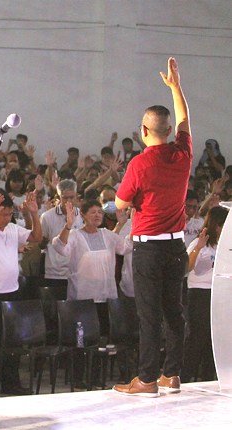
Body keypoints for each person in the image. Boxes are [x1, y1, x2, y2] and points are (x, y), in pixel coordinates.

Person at [114, 57, 192, 397]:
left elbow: (119, 204)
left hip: (148, 249)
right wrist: (176, 87)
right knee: (174, 312)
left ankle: (146, 380)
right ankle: (171, 375)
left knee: (148, 316)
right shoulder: (183, 154)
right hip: (177, 247)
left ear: (143, 131)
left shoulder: (139, 163)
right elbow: (186, 118)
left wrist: (127, 206)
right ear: (169, 130)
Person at [0, 188, 43, 397]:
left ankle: (10, 383)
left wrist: (34, 213)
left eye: (9, 214)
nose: (7, 218)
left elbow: (37, 237)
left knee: (12, 341)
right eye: (3, 214)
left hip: (12, 292)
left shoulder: (13, 229)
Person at [52, 200, 131, 332]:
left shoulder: (106, 234)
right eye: (93, 212)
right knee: (85, 334)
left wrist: (130, 225)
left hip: (106, 294)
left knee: (105, 333)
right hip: (83, 296)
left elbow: (126, 247)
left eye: (100, 212)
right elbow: (60, 247)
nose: (97, 215)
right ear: (82, 215)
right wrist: (68, 225)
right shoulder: (75, 235)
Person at [181, 206, 228, 383]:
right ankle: (185, 378)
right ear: (216, 225)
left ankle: (209, 378)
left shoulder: (223, 246)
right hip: (199, 295)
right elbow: (187, 268)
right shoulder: (199, 243)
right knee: (198, 338)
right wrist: (198, 248)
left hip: (219, 294)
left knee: (213, 340)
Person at [40, 179, 83, 290]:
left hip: (77, 271)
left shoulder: (82, 216)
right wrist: (43, 241)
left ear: (76, 196)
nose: (68, 201)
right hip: (55, 273)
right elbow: (41, 244)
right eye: (65, 197)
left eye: (71, 197)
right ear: (58, 197)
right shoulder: (47, 217)